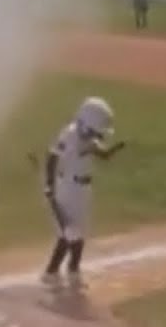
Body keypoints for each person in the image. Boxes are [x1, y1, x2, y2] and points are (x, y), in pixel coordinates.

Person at [41, 97, 125, 291]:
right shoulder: (68, 135)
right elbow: (52, 157)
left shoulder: (87, 137)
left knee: (78, 232)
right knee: (70, 233)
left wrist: (116, 149)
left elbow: (101, 152)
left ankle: (61, 271)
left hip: (84, 189)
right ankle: (62, 271)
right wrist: (49, 185)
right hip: (68, 188)